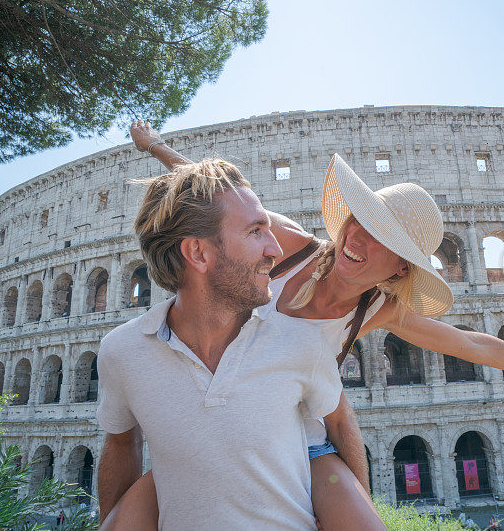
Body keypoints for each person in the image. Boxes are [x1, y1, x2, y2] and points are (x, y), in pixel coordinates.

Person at [110, 121, 504, 529]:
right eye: (359, 218)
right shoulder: (289, 245)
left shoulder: (378, 310)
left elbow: (472, 344)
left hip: (298, 436)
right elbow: (218, 204)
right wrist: (155, 147)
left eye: (381, 236)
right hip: (210, 420)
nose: (357, 236)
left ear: (400, 269)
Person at [95, 158, 379, 530]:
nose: (275, 249)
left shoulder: (300, 341)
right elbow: (120, 445)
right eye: (256, 231)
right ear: (198, 253)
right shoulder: (122, 352)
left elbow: (341, 424)